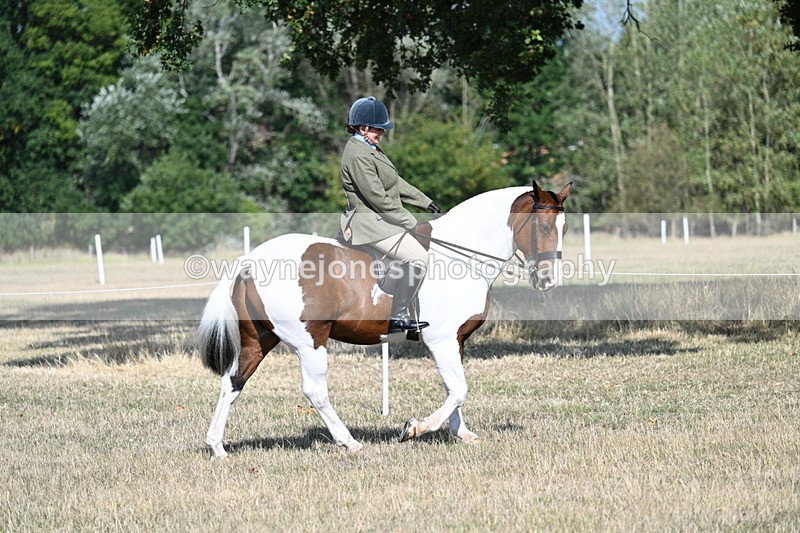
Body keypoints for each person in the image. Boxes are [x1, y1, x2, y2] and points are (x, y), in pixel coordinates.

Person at [339, 96, 441, 333]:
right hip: (370, 223)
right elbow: (377, 198)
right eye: (378, 129)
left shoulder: (369, 148)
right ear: (362, 128)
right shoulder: (357, 155)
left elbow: (394, 183)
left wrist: (426, 202)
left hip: (381, 219)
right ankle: (398, 317)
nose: (381, 133)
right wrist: (410, 221)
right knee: (418, 259)